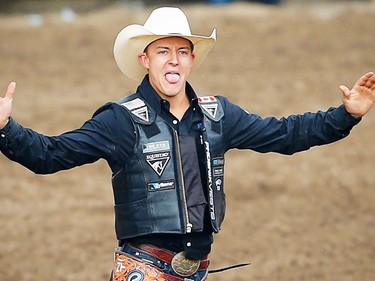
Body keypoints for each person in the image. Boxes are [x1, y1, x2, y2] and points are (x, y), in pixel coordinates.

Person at [1, 6, 375, 281]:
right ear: (145, 59)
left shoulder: (219, 114)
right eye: (163, 51)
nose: (173, 60)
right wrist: (5, 128)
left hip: (197, 270)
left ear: (192, 60)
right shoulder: (119, 119)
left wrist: (346, 116)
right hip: (143, 269)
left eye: (181, 51)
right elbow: (49, 155)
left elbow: (286, 134)